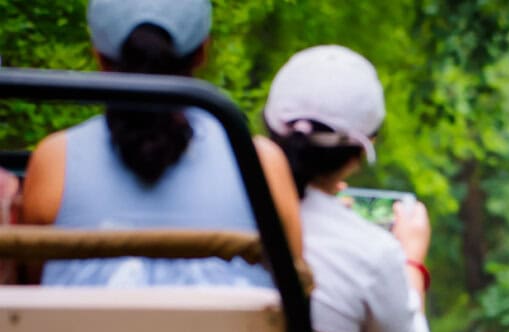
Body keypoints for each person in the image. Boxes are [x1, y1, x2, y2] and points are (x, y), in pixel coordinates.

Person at [19, 0, 302, 286]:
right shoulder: (260, 164)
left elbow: (34, 291)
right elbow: (294, 295)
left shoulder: (55, 161)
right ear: (203, 52)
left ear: (99, 57)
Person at [263, 45, 433, 332]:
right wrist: (412, 266)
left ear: (268, 123)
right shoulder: (369, 254)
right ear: (362, 149)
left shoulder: (192, 208)